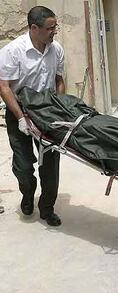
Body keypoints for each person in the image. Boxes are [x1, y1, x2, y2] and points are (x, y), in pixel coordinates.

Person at [0, 6, 65, 226]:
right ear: (34, 28)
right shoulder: (13, 51)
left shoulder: (56, 49)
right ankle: (27, 194)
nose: (54, 31)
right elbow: (5, 87)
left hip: (47, 114)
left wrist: (60, 107)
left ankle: (47, 209)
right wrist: (20, 118)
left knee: (51, 164)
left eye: (55, 26)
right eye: (50, 27)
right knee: (24, 165)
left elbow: (59, 80)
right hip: (18, 110)